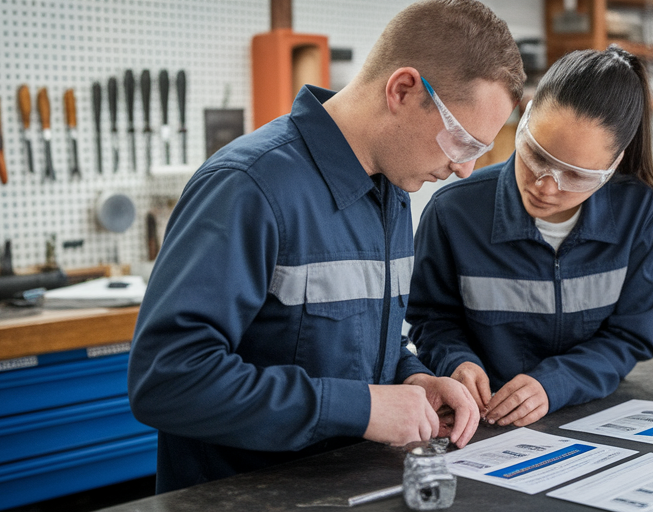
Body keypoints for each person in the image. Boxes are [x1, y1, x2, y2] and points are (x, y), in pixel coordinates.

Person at [128, 0, 524, 493]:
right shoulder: (249, 187)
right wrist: (364, 408)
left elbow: (352, 344)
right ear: (403, 90)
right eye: (462, 142)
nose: (465, 169)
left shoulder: (392, 194)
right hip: (245, 497)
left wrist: (412, 379)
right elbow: (167, 381)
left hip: (343, 488)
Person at [407, 46, 653, 428]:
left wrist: (557, 383)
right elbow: (431, 320)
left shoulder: (639, 214)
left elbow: (629, 337)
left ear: (612, 166)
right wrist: (456, 362)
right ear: (525, 117)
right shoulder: (453, 212)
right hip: (483, 422)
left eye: (576, 175)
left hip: (592, 416)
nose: (545, 186)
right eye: (537, 154)